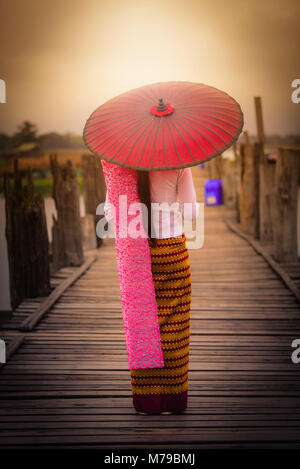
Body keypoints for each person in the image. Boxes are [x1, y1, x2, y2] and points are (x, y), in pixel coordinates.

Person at [104, 167, 199, 415]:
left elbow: (110, 213)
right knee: (174, 327)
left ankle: (148, 401)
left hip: (136, 253)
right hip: (172, 253)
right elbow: (190, 212)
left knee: (142, 327)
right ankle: (172, 400)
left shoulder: (121, 163)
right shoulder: (179, 161)